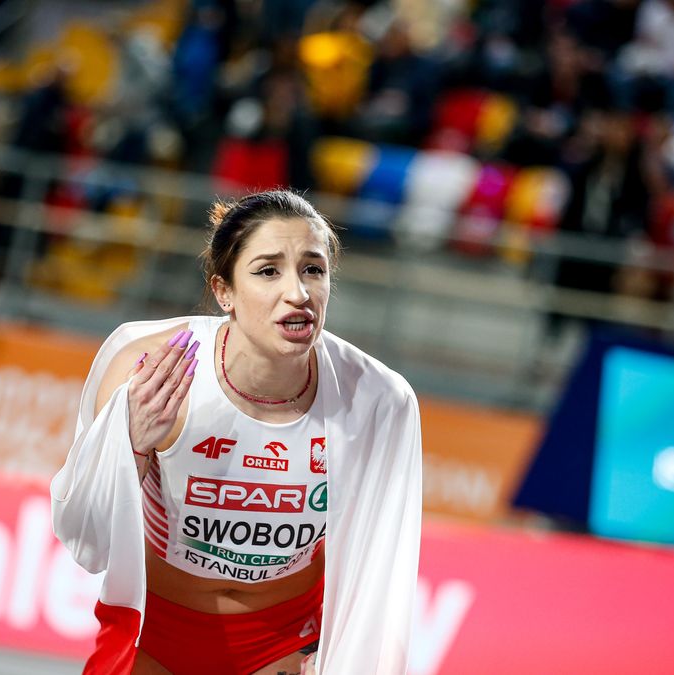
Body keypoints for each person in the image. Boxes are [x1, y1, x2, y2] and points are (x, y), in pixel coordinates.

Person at [51, 189, 423, 674]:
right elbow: (86, 539)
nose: (298, 292)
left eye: (313, 269)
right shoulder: (150, 370)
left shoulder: (377, 400)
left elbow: (383, 564)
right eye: (269, 271)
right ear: (223, 291)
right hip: (156, 632)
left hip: (284, 642)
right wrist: (134, 450)